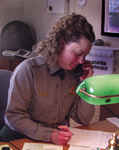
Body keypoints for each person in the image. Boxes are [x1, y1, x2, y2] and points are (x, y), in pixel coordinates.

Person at [0, 13, 95, 145]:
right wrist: (49, 135)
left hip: (50, 142)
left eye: (85, 56)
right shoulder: (28, 70)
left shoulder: (72, 75)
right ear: (61, 43)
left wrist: (86, 83)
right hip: (17, 139)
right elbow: (14, 117)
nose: (81, 61)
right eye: (78, 54)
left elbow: (83, 119)